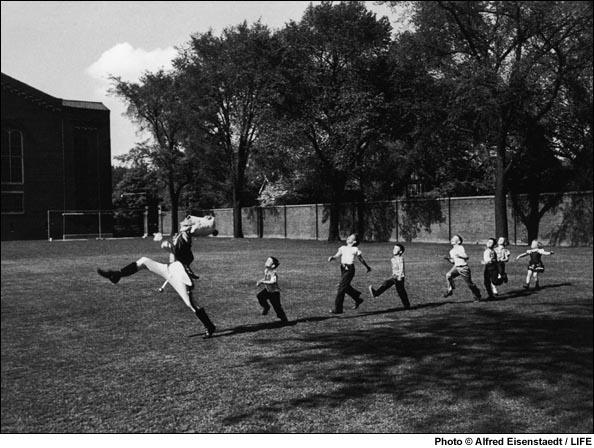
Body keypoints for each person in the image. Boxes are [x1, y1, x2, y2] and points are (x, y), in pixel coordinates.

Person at [97, 215, 217, 339]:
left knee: (190, 303)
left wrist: (164, 243)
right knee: (144, 261)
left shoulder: (186, 236)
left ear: (189, 227)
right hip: (169, 268)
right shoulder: (181, 235)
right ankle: (117, 275)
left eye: (187, 220)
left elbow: (179, 253)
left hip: (177, 272)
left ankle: (209, 326)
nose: (184, 219)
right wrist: (166, 245)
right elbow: (176, 252)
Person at [328, 234, 372, 314]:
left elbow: (361, 259)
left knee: (341, 288)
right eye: (348, 236)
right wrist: (332, 257)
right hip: (343, 269)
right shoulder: (342, 248)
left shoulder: (355, 249)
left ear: (354, 241)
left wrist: (367, 267)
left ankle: (338, 309)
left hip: (350, 270)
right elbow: (337, 255)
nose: (348, 238)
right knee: (345, 286)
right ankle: (357, 298)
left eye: (351, 237)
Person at [368, 243, 410, 309]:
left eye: (396, 249)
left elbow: (401, 268)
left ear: (400, 251)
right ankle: (376, 293)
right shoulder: (393, 259)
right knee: (386, 283)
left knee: (401, 291)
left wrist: (399, 277)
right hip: (394, 276)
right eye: (393, 248)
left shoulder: (400, 259)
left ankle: (407, 305)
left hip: (399, 277)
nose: (393, 250)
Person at [443, 234, 482, 301]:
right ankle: (450, 290)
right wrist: (448, 259)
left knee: (469, 284)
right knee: (448, 275)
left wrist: (460, 256)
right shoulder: (451, 251)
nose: (452, 239)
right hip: (456, 267)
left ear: (459, 242)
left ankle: (477, 295)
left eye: (455, 238)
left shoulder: (460, 247)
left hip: (463, 268)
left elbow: (466, 257)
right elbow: (453, 261)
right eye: (452, 238)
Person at [256, 256, 288, 323]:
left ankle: (283, 318)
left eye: (268, 261)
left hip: (274, 292)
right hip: (268, 290)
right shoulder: (267, 271)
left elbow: (272, 281)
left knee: (277, 306)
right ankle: (266, 307)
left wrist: (262, 282)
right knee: (260, 296)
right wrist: (261, 281)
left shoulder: (273, 273)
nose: (266, 262)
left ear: (273, 265)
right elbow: (267, 279)